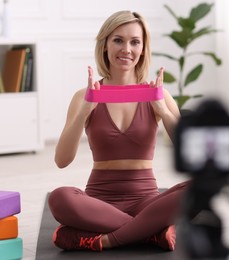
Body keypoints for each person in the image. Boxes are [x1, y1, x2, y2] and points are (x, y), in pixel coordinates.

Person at [48, 10, 189, 252]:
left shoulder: (160, 95)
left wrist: (163, 112)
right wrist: (84, 112)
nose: (126, 49)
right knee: (59, 198)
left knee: (197, 189)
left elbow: (189, 154)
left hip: (146, 200)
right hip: (99, 202)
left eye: (135, 42)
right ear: (105, 45)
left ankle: (108, 239)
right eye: (118, 40)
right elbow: (62, 160)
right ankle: (150, 232)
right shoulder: (83, 96)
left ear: (143, 48)